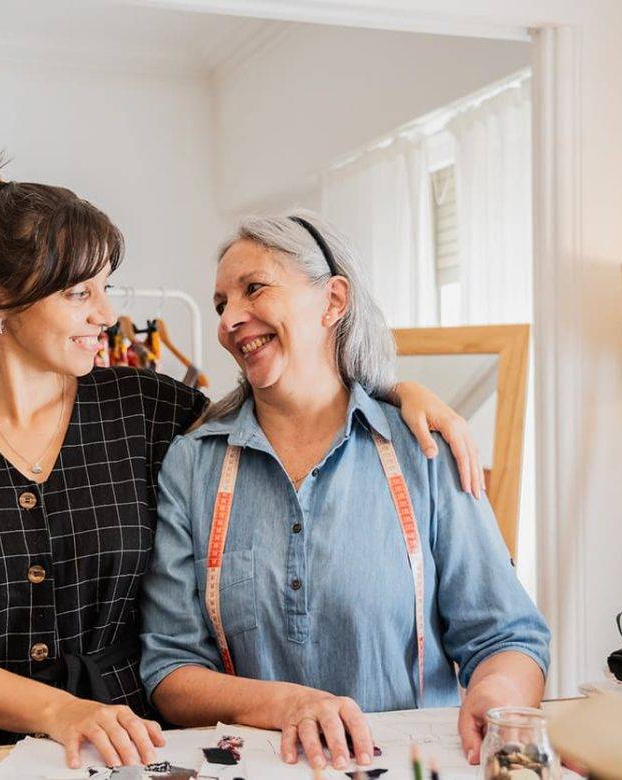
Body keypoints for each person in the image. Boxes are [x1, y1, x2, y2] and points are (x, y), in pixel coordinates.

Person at [0, 159, 484, 768]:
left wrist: (397, 394)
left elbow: (290, 400)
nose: (107, 315)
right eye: (80, 294)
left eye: (104, 289)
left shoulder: (148, 409)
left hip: (133, 753)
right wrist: (59, 710)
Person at [139, 211, 551, 772]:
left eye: (253, 288)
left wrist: (497, 692)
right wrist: (291, 704)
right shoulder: (193, 464)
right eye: (219, 305)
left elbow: (506, 633)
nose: (230, 319)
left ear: (333, 301)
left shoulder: (422, 448)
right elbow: (170, 670)